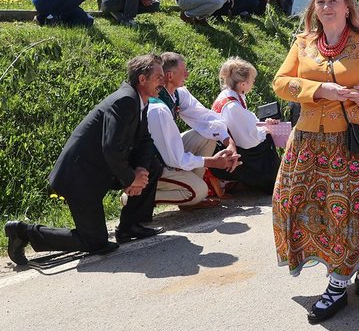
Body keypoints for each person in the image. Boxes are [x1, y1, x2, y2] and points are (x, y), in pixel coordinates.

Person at [272, 0, 359, 325]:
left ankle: (338, 284)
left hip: (353, 144)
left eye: (333, 0)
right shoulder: (303, 43)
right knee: (293, 203)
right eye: (320, 1)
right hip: (308, 141)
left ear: (347, 7)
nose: (326, 6)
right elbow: (280, 82)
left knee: (344, 214)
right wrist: (319, 90)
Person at [4, 55, 165, 265]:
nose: (163, 82)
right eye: (159, 77)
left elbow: (144, 139)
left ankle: (130, 226)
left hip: (100, 171)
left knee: (152, 165)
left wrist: (141, 169)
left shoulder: (139, 100)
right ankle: (22, 231)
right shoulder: (125, 101)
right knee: (96, 242)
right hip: (79, 177)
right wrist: (131, 178)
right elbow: (111, 148)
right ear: (142, 79)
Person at [148, 52, 239, 210]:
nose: (187, 74)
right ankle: (138, 197)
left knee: (207, 136)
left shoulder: (178, 93)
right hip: (152, 162)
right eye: (184, 71)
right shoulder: (157, 107)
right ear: (170, 75)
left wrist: (229, 143)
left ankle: (189, 197)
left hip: (168, 154)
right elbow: (173, 157)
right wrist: (213, 162)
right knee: (200, 190)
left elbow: (206, 118)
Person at [209, 58, 281, 192]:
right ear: (242, 84)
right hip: (231, 152)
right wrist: (265, 130)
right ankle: (270, 181)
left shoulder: (228, 95)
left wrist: (262, 126)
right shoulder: (232, 106)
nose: (253, 82)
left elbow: (245, 126)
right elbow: (249, 141)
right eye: (252, 80)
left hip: (224, 146)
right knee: (267, 141)